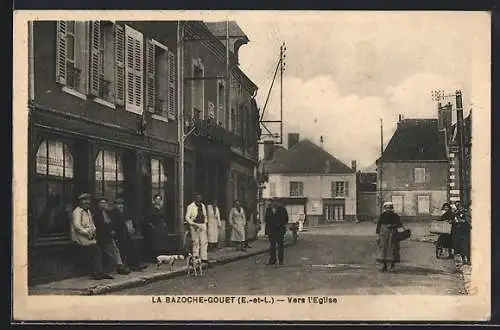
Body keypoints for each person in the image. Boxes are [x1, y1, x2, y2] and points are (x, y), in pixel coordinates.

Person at [70, 193, 113, 280]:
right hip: (80, 237)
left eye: (88, 200)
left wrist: (93, 231)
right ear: (80, 202)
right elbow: (77, 227)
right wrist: (87, 233)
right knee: (96, 250)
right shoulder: (77, 212)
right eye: (84, 200)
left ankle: (101, 272)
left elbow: (92, 224)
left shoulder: (88, 211)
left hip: (90, 237)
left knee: (101, 248)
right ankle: (97, 273)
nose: (87, 202)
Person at [92, 196, 130, 275]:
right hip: (101, 235)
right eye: (102, 203)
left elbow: (112, 223)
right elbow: (99, 225)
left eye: (105, 202)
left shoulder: (108, 213)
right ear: (98, 204)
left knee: (116, 248)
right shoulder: (96, 213)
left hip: (109, 235)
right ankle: (115, 267)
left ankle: (120, 265)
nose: (104, 204)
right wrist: (108, 227)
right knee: (110, 249)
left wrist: (111, 229)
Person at [109, 198, 147, 271]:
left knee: (132, 247)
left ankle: (135, 264)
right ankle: (123, 265)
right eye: (118, 204)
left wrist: (132, 228)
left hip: (126, 233)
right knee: (123, 248)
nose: (120, 206)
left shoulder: (126, 211)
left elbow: (130, 220)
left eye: (121, 204)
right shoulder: (113, 213)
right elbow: (113, 224)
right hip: (118, 234)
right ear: (115, 205)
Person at [376, 201, 405, 272]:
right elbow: (378, 226)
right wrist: (377, 235)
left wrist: (400, 232)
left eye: (389, 208)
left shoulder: (395, 216)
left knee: (393, 250)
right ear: (385, 208)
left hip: (393, 235)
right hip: (384, 235)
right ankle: (384, 266)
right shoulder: (382, 215)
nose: (388, 209)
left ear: (392, 208)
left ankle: (392, 266)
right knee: (383, 250)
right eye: (387, 208)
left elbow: (400, 225)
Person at [185, 193, 209, 266]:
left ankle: (204, 258)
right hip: (195, 225)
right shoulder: (190, 206)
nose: (199, 199)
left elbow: (205, 215)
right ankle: (195, 258)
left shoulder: (202, 205)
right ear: (195, 198)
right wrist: (192, 224)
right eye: (197, 198)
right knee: (196, 242)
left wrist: (205, 223)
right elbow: (187, 217)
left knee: (204, 242)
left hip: (202, 225)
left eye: (200, 198)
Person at [264, 198, 289, 265]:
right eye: (273, 202)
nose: (274, 204)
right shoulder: (268, 210)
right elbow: (266, 220)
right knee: (272, 246)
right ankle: (272, 260)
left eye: (275, 202)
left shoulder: (282, 209)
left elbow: (286, 219)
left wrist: (281, 225)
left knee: (280, 245)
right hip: (271, 230)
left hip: (279, 230)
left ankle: (281, 260)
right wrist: (266, 231)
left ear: (277, 203)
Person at [144, 194, 169, 261]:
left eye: (159, 199)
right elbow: (147, 218)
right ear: (154, 200)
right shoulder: (151, 208)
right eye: (156, 199)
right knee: (155, 243)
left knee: (162, 243)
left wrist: (164, 223)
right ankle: (154, 258)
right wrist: (151, 225)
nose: (158, 201)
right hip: (154, 227)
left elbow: (165, 217)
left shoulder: (162, 208)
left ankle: (162, 258)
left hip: (161, 228)